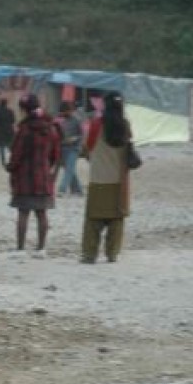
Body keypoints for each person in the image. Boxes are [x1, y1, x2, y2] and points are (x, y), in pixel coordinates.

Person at [6, 94, 60, 257]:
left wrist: (10, 168)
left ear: (24, 110)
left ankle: (21, 248)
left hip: (25, 178)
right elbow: (55, 155)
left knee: (23, 212)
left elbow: (17, 154)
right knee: (41, 213)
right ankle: (41, 248)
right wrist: (47, 167)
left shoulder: (24, 130)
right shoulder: (50, 128)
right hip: (43, 176)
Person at [81, 91, 132, 264]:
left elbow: (87, 148)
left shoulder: (96, 125)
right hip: (119, 181)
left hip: (98, 179)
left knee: (93, 219)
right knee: (116, 219)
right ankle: (112, 253)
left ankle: (90, 254)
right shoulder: (125, 126)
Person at [56, 101, 84, 196]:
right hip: (63, 148)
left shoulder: (77, 120)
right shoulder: (59, 120)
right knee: (70, 169)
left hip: (74, 148)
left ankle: (62, 189)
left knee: (69, 169)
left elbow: (82, 135)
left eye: (65, 111)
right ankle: (77, 190)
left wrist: (75, 139)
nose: (63, 114)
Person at [0, 96, 16, 167]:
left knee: (1, 147)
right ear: (6, 104)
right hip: (9, 131)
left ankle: (3, 161)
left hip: (1, 131)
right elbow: (13, 122)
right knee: (11, 146)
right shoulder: (10, 111)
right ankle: (13, 159)